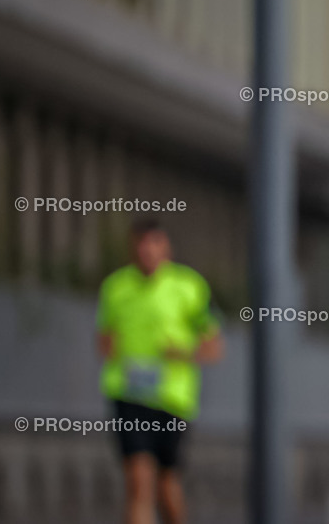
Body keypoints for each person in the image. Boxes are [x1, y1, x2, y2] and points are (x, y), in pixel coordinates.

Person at [96, 219, 223, 524]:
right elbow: (104, 339)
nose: (147, 251)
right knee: (138, 479)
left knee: (167, 483)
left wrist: (184, 352)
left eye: (154, 244)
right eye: (140, 244)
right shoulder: (115, 287)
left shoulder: (189, 286)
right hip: (129, 392)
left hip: (172, 397)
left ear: (166, 247)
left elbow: (214, 346)